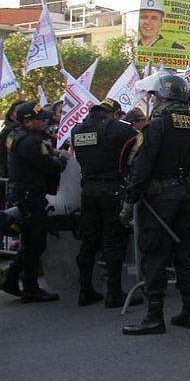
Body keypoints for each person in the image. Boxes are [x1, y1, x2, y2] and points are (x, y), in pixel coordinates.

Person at [122, 74, 190, 335]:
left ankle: (154, 315)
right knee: (185, 254)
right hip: (185, 194)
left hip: (159, 197)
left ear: (161, 97)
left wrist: (130, 200)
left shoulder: (157, 125)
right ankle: (189, 311)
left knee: (155, 256)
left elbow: (142, 166)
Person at [72, 97, 141, 309]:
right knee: (114, 242)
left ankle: (85, 290)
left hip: (88, 190)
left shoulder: (77, 130)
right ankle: (114, 292)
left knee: (89, 241)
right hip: (111, 189)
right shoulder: (117, 129)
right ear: (112, 113)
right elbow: (140, 142)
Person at [0, 102, 67, 302]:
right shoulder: (31, 142)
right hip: (30, 197)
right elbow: (51, 167)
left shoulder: (15, 136)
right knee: (35, 243)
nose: (44, 122)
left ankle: (12, 280)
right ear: (27, 121)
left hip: (21, 193)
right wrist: (63, 158)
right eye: (39, 119)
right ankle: (29, 287)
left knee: (29, 243)